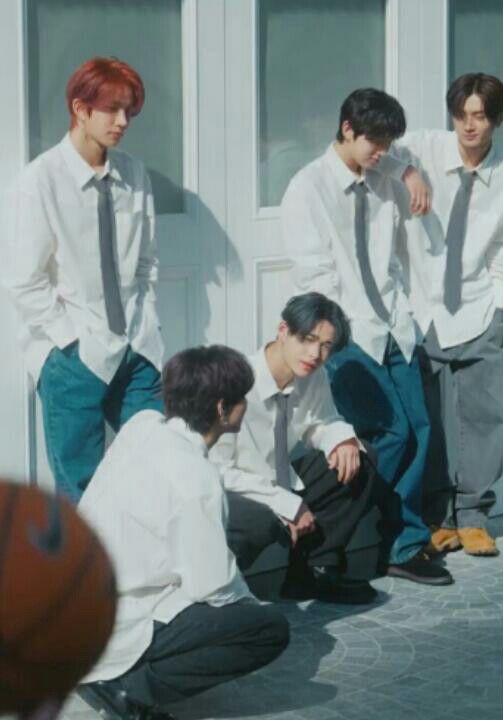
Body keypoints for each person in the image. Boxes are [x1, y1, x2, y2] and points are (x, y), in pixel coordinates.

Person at [281, 89, 452, 586]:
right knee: (389, 433)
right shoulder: (307, 188)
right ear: (346, 129)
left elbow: (395, 250)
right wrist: (335, 342)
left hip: (395, 322)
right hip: (348, 332)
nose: (383, 151)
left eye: (388, 144)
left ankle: (403, 543)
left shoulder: (383, 175)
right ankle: (359, 534)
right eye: (374, 141)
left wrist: (407, 170)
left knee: (420, 429)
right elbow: (316, 277)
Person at [77, 345, 289, 718]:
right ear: (223, 409)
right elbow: (215, 588)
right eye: (242, 399)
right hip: (118, 617)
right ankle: (125, 689)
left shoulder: (142, 425)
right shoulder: (198, 481)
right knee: (268, 628)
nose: (246, 406)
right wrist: (253, 604)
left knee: (242, 530)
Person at [379, 73, 503, 557]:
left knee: (486, 416)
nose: (469, 126)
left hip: (479, 305)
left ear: (497, 119)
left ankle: (475, 515)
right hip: (425, 308)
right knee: (435, 417)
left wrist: (500, 307)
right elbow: (372, 149)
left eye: (480, 116)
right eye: (462, 115)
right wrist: (408, 173)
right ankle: (438, 516)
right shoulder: (422, 149)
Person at [2, 57, 164, 503]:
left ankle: (150, 572)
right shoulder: (39, 182)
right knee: (83, 494)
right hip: (75, 356)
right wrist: (70, 343)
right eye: (112, 110)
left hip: (136, 349)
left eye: (129, 111)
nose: (123, 121)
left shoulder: (134, 175)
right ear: (80, 108)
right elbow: (24, 281)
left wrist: (146, 324)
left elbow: (146, 263)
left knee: (161, 469)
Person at [212, 293, 388, 604]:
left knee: (360, 456)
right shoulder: (234, 383)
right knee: (252, 518)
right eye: (307, 339)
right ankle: (224, 590)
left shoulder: (313, 375)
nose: (315, 353)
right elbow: (218, 471)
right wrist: (282, 502)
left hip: (285, 481)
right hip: (245, 494)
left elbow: (319, 422)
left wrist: (340, 439)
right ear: (283, 330)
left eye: (326, 346)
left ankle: (310, 568)